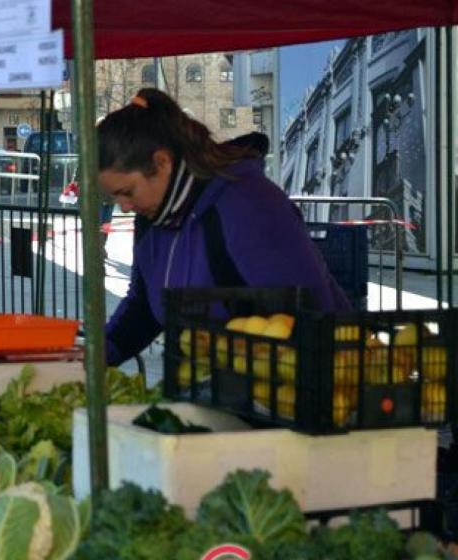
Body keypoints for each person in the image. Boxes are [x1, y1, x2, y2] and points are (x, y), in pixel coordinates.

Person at [99, 89, 349, 367]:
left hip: (293, 388)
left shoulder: (249, 205)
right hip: (215, 389)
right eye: (115, 197)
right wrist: (102, 351)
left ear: (162, 163)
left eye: (128, 192)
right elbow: (145, 305)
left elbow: (311, 312)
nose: (123, 207)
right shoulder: (152, 220)